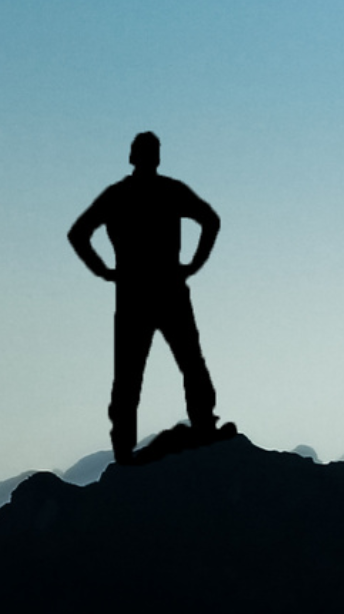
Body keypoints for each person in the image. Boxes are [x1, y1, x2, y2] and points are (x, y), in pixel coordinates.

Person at [68, 132, 221, 463]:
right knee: (186, 364)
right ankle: (203, 426)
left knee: (131, 375)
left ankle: (124, 449)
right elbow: (210, 220)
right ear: (153, 157)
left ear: (132, 157)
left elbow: (78, 234)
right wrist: (193, 265)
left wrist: (105, 271)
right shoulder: (169, 191)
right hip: (166, 290)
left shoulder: (118, 196)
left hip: (135, 295)